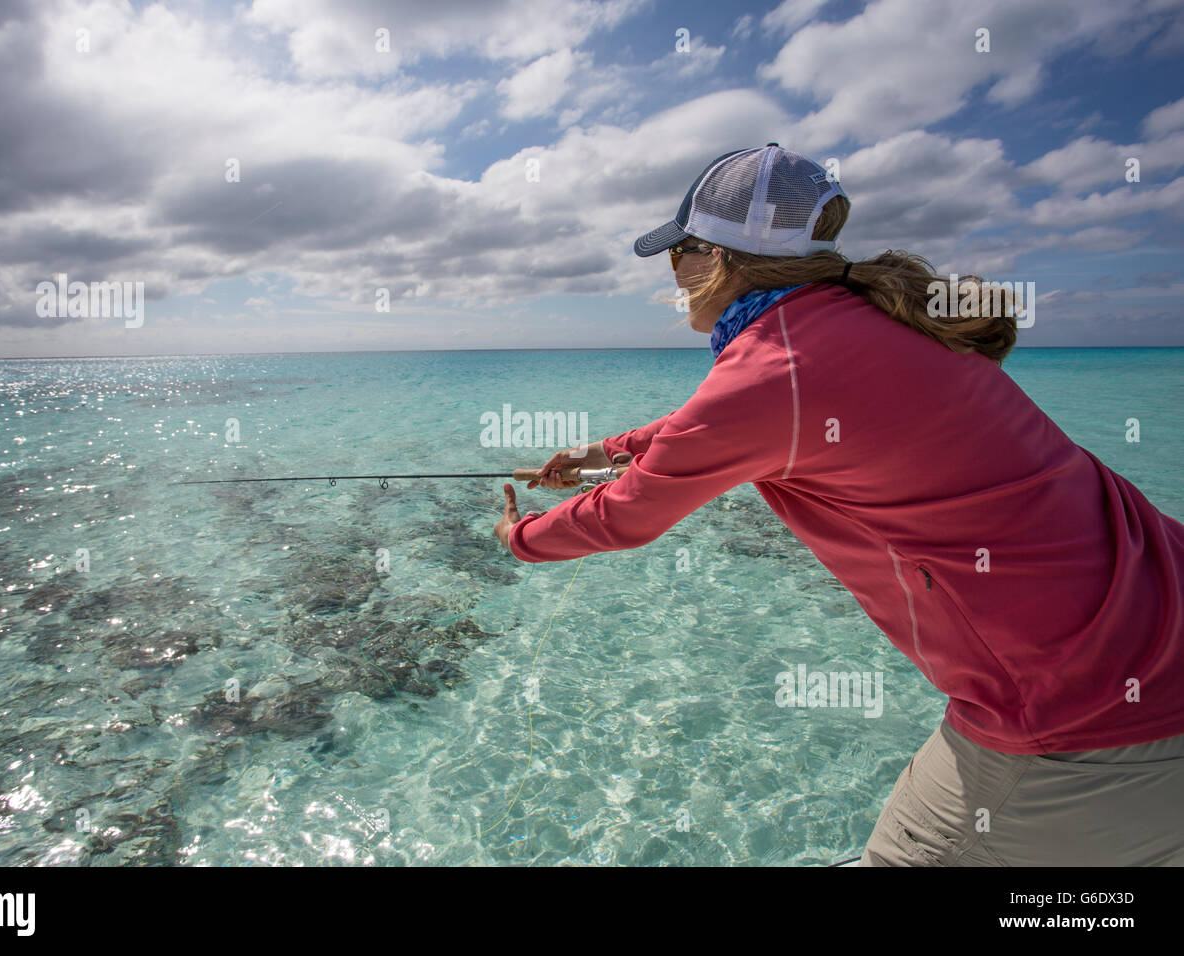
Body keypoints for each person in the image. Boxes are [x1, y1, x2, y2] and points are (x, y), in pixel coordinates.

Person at [491, 144, 1184, 866]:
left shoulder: (772, 370)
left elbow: (627, 514)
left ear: (715, 261)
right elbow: (731, 425)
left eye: (679, 257)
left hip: (1089, 712)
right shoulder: (867, 320)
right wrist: (604, 450)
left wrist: (520, 535)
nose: (675, 279)